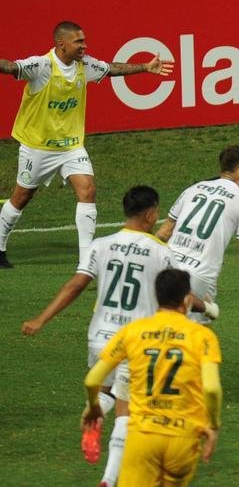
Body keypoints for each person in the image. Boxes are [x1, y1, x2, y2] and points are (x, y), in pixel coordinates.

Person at [21, 186, 204, 486]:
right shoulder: (160, 251)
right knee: (128, 410)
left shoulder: (101, 245)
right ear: (150, 215)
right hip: (135, 341)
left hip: (99, 337)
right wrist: (207, 307)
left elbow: (75, 285)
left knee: (108, 393)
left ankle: (95, 415)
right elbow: (179, 290)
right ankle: (108, 478)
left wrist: (41, 319)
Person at [0, 21, 174, 269]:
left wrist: (145, 67)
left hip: (71, 146)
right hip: (38, 147)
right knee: (21, 197)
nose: (84, 45)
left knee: (88, 190)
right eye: (78, 42)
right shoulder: (41, 66)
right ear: (62, 45)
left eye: (84, 40)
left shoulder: (85, 65)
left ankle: (86, 262)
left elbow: (111, 68)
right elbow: (10, 66)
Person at [83, 269, 223, 486]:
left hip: (143, 435)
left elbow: (93, 380)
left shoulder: (133, 331)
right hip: (183, 436)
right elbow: (212, 388)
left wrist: (94, 407)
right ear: (187, 300)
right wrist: (213, 426)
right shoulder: (203, 336)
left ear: (157, 297)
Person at [156, 145, 239, 330]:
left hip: (164, 272)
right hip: (199, 278)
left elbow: (163, 233)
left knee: (156, 332)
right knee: (193, 342)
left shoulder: (192, 189)